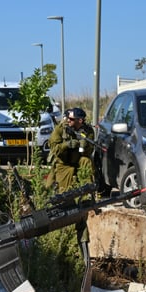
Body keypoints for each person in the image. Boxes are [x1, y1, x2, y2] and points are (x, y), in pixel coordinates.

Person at [46, 108, 96, 264]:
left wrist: (83, 144)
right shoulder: (60, 129)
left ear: (80, 120)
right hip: (64, 163)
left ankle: (88, 193)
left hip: (79, 160)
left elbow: (89, 151)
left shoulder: (87, 130)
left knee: (87, 162)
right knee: (66, 195)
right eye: (67, 118)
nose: (68, 120)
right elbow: (54, 149)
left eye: (71, 119)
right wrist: (67, 144)